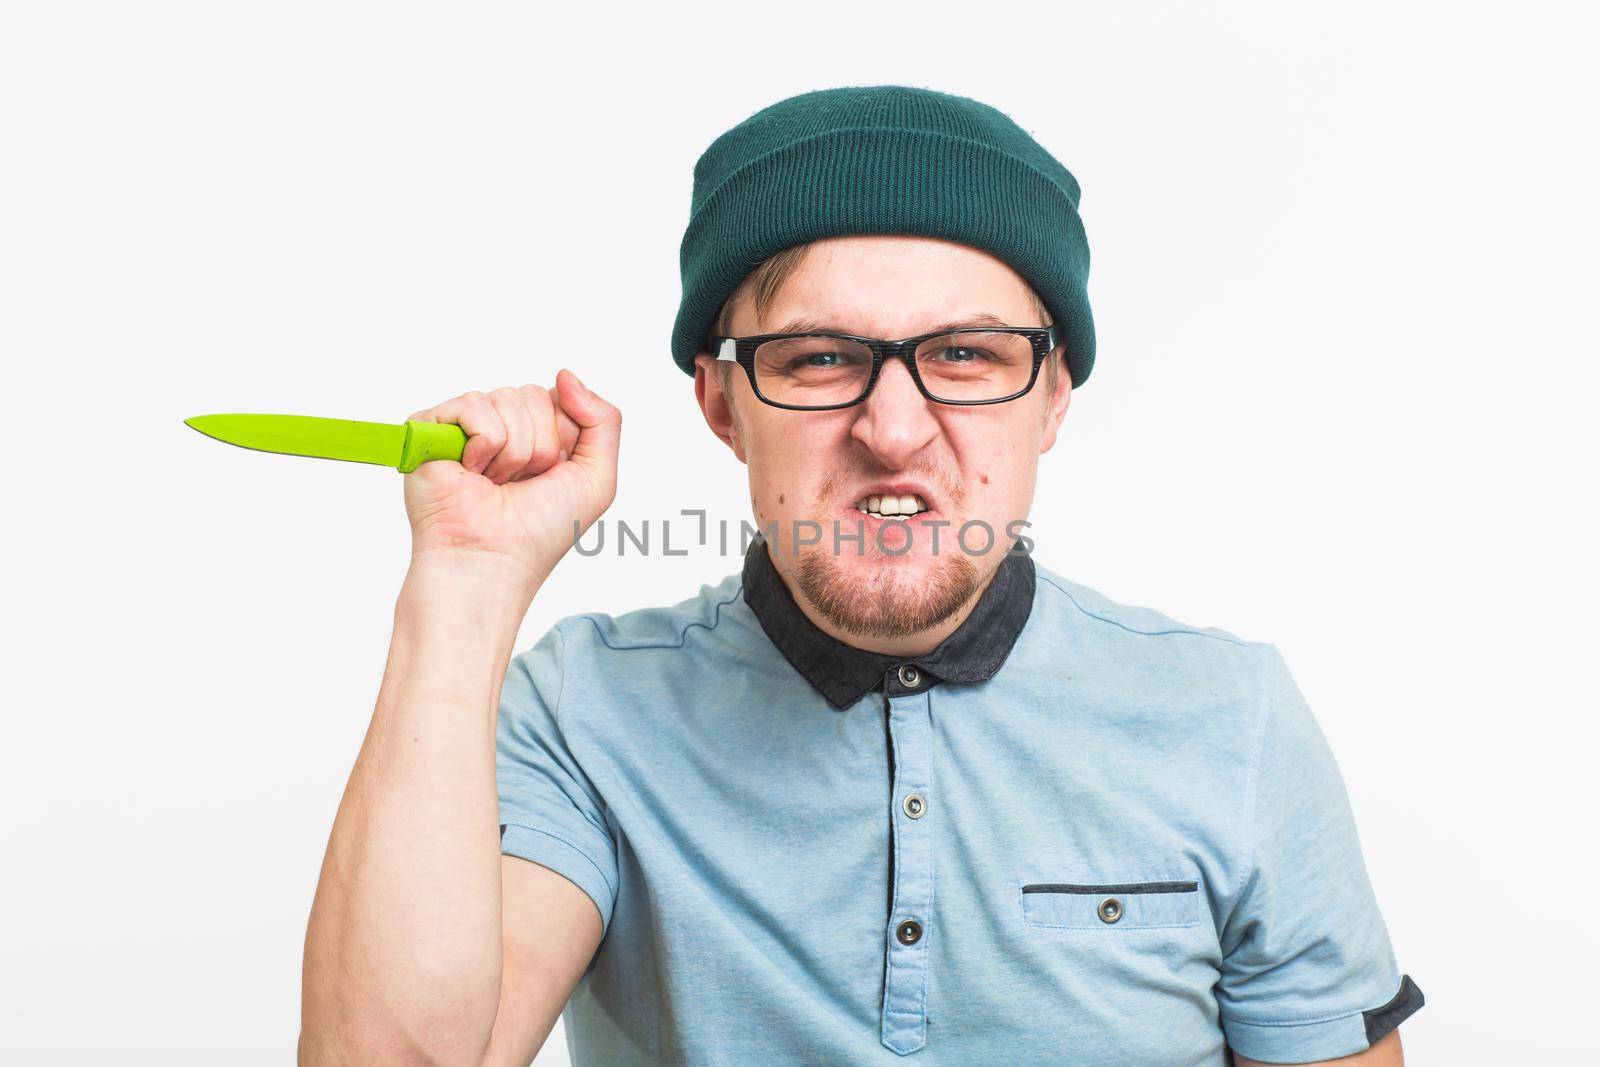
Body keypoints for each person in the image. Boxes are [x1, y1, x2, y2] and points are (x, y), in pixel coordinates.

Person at [298, 85, 1423, 1066]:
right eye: (821, 358)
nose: (893, 430)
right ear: (721, 402)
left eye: (967, 354)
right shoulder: (584, 712)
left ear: (1053, 396)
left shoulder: (1232, 718)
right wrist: (466, 579)